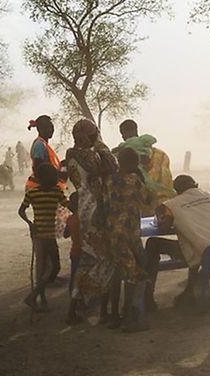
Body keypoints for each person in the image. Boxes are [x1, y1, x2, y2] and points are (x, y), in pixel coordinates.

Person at [145, 174, 210, 309]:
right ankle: (189, 291)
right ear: (195, 185)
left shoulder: (172, 204)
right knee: (193, 241)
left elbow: (163, 227)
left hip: (209, 253)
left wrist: (161, 213)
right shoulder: (209, 197)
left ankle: (147, 298)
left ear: (176, 191)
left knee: (153, 243)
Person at [65, 119, 118, 325]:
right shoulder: (94, 155)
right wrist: (100, 144)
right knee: (106, 260)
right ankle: (103, 312)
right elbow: (113, 165)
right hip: (98, 210)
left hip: (83, 208)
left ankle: (74, 307)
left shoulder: (70, 155)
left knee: (87, 260)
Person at [103, 147, 156, 332]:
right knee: (135, 275)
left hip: (112, 234)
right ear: (134, 164)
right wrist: (140, 175)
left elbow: (104, 205)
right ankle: (130, 319)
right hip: (129, 234)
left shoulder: (109, 180)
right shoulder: (134, 181)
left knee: (117, 275)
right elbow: (150, 201)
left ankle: (115, 316)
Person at [18, 163, 69, 312]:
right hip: (43, 235)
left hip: (42, 234)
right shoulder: (49, 192)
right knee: (53, 267)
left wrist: (30, 223)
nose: (54, 179)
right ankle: (36, 297)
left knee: (47, 268)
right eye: (52, 176)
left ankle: (37, 297)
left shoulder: (39, 192)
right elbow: (21, 211)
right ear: (42, 178)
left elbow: (21, 211)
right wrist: (29, 223)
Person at [114, 119, 175, 202]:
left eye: (122, 134)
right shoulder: (161, 154)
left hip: (142, 202)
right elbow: (166, 179)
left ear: (125, 133)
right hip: (164, 200)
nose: (122, 137)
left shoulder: (122, 156)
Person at [26, 116, 66, 190]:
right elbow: (38, 168)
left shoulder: (43, 144)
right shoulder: (39, 145)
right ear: (40, 129)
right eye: (48, 128)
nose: (51, 130)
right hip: (40, 187)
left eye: (52, 127)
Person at [63, 193, 81, 296]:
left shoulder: (71, 219)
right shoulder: (84, 217)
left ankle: (72, 298)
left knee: (74, 276)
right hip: (85, 252)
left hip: (75, 252)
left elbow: (66, 234)